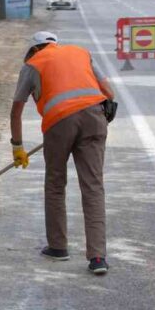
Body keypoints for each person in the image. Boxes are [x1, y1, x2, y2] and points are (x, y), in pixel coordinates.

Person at [9, 31, 116, 275]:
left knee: (56, 183)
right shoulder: (81, 53)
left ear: (34, 49)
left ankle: (58, 247)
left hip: (59, 124)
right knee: (93, 186)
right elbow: (109, 92)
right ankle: (98, 257)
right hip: (94, 117)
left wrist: (18, 147)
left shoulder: (32, 64)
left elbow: (16, 111)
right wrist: (102, 112)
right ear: (54, 44)